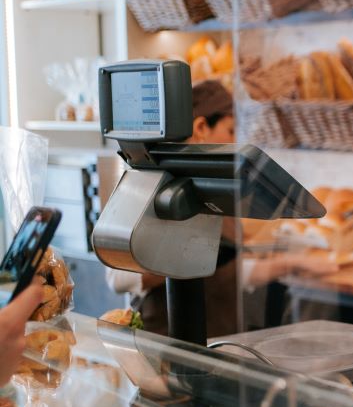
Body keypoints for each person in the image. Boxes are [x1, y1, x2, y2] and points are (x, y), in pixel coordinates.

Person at [106, 87, 335, 336]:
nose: (235, 141)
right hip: (163, 354)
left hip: (218, 347)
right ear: (202, 128)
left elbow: (228, 274)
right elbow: (118, 278)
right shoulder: (152, 186)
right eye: (230, 130)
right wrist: (186, 253)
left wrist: (291, 263)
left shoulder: (218, 193)